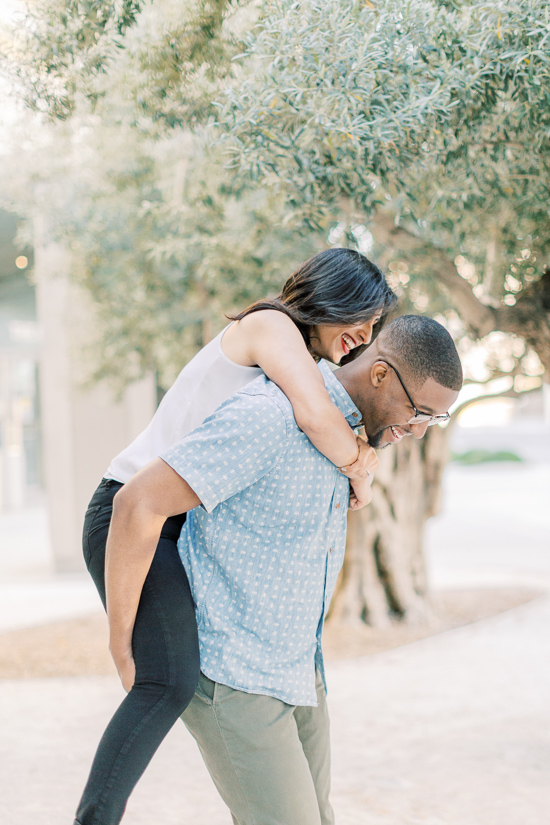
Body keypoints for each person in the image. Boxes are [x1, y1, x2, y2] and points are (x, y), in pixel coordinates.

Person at [75, 248, 397, 825]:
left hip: (175, 519)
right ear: (331, 300)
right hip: (128, 510)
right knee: (164, 681)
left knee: (170, 679)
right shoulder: (270, 325)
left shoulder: (292, 356)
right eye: (362, 319)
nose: (365, 336)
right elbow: (314, 416)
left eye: (376, 328)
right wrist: (363, 471)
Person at [104, 314, 463, 825]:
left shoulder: (344, 442)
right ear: (380, 374)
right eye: (421, 412)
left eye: (437, 419)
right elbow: (135, 504)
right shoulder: (269, 417)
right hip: (236, 677)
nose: (422, 430)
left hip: (298, 672)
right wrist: (123, 642)